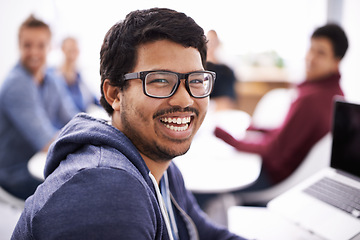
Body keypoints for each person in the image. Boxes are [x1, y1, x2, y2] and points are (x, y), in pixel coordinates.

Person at [12, 8, 246, 240]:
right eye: (160, 80)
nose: (185, 99)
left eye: (195, 80)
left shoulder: (161, 166)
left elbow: (203, 233)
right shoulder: (106, 192)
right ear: (115, 95)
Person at [215, 23, 349, 193]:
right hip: (290, 174)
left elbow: (274, 150)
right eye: (311, 49)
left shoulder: (312, 99)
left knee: (211, 179)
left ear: (336, 61)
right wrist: (259, 129)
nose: (310, 58)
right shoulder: (334, 94)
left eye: (320, 52)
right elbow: (288, 136)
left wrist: (227, 137)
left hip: (274, 179)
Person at [0, 15, 79, 200]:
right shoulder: (17, 84)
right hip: (16, 174)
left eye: (41, 45)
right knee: (75, 193)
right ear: (19, 47)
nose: (34, 52)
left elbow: (73, 118)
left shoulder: (51, 79)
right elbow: (46, 142)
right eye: (27, 45)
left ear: (50, 47)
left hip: (39, 165)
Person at [55, 37, 100, 112]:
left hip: (82, 119)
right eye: (70, 50)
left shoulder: (79, 77)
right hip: (69, 121)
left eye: (75, 50)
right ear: (63, 50)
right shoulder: (55, 76)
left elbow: (93, 98)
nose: (73, 53)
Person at [206, 30, 237, 111]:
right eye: (207, 42)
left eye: (213, 42)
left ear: (218, 44)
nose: (209, 45)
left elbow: (226, 103)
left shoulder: (226, 71)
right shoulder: (196, 70)